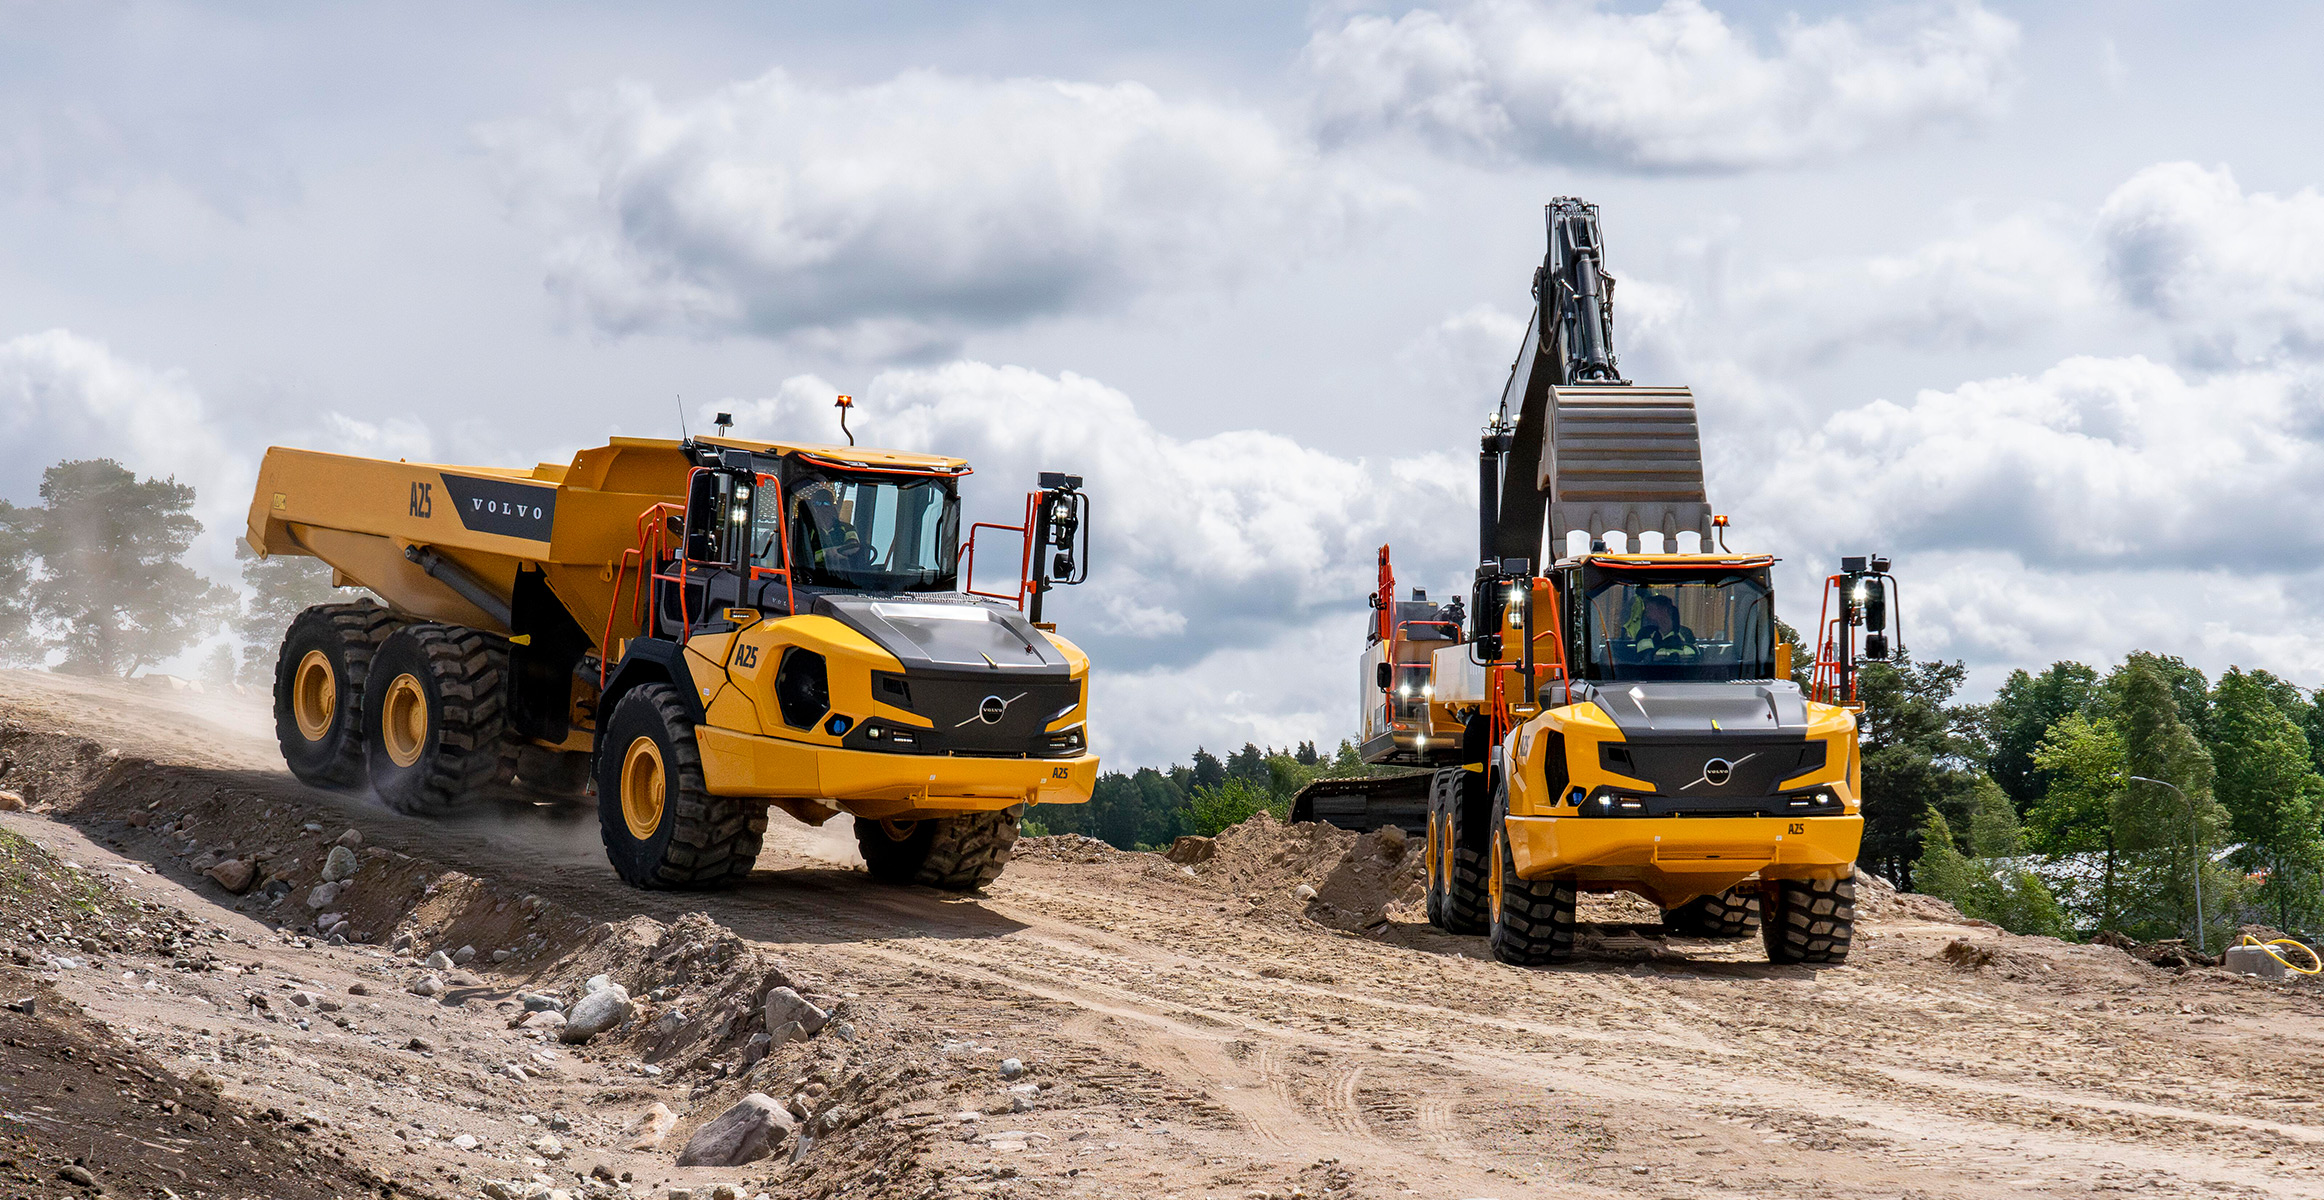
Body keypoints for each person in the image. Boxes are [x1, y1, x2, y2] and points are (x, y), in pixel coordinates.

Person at [1631, 594, 1697, 660]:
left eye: (1650, 609)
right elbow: (1648, 658)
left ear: (1664, 610)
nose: (1646, 614)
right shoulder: (1645, 633)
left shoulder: (1686, 633)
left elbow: (1695, 657)